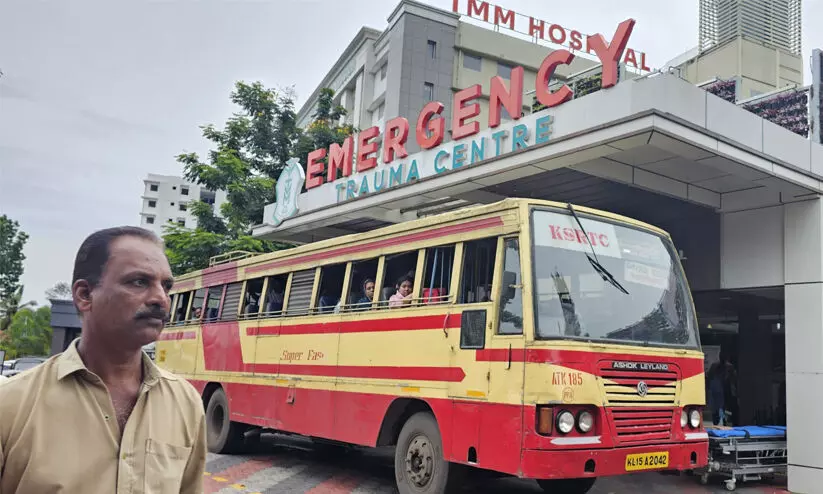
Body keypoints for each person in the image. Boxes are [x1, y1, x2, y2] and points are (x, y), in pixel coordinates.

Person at [0, 226, 207, 494]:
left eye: (166, 285)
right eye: (139, 282)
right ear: (85, 295)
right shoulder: (11, 405)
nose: (161, 298)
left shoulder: (185, 403)